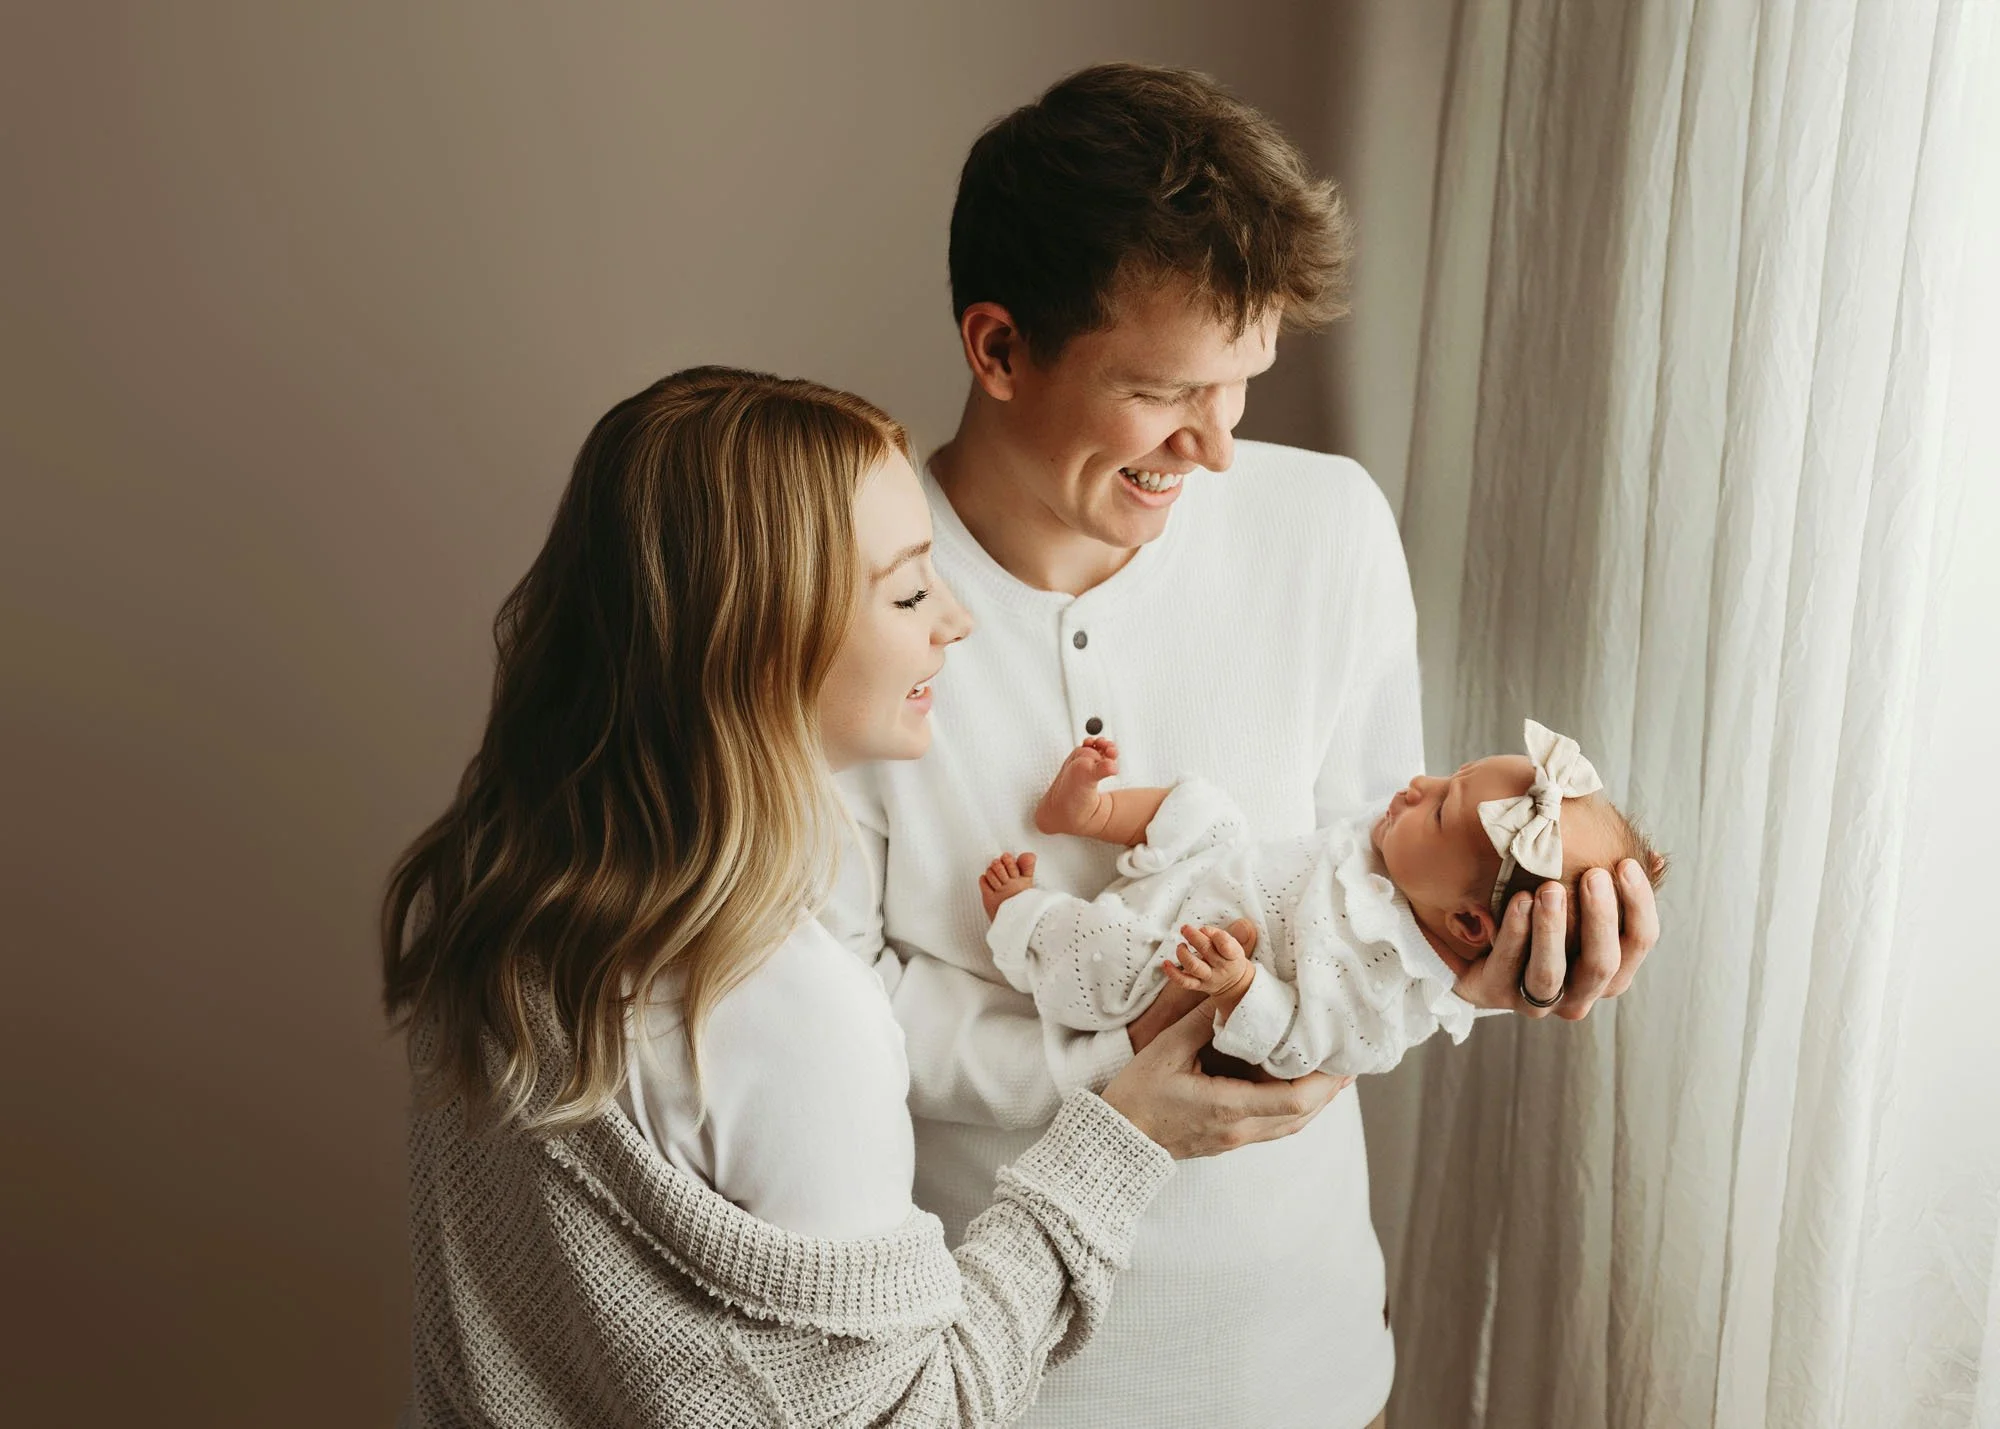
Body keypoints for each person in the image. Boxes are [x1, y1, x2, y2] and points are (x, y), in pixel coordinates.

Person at [822, 65, 1662, 1427]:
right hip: (995, 1374)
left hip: (1305, 1360)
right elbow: (842, 1006)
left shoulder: (1328, 525)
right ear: (1000, 348)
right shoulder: (844, 600)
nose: (1214, 451)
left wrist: (1497, 964)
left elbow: (1379, 890)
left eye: (1241, 387)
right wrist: (1119, 1082)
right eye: (1166, 392)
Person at [381, 367, 1348, 1426]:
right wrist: (1125, 1134)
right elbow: (917, 1411)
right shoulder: (776, 1008)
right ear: (757, 641)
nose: (957, 621)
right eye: (907, 591)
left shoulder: (492, 887)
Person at [976, 721, 1669, 1081]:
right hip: (1214, 871)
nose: (1418, 784)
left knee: (1104, 960)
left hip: (1175, 959)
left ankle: (1023, 918)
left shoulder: (1384, 990)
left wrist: (1240, 987)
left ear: (1467, 920)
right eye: (1450, 774)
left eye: (1437, 809)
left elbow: (1304, 1044)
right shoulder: (1406, 862)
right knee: (1207, 810)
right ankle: (1093, 813)